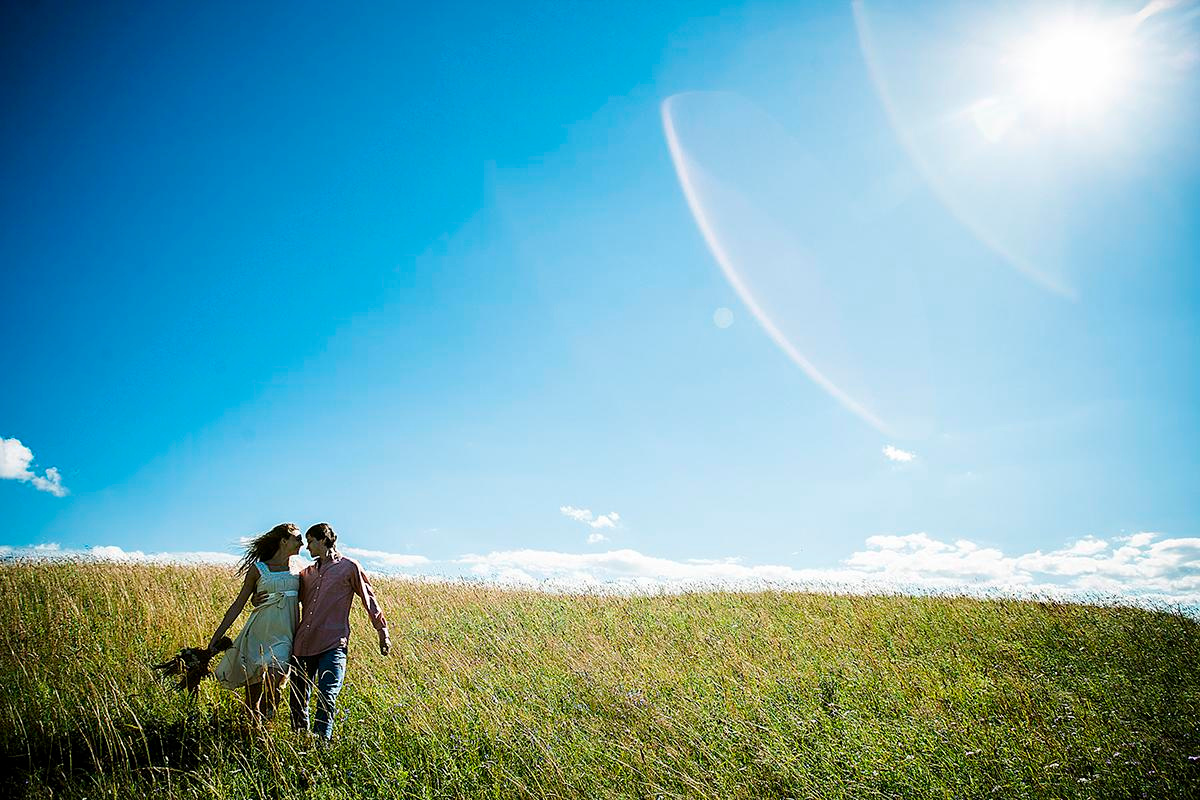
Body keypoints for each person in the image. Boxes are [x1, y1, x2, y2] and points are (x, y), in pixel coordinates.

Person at [286, 522, 390, 741]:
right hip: (303, 644)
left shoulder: (349, 567)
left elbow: (368, 598)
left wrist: (382, 631)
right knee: (297, 699)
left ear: (324, 539)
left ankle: (321, 744)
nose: (307, 548)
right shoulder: (307, 573)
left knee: (327, 696)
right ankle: (299, 742)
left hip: (333, 644)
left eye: (311, 542)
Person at [208, 523, 303, 720]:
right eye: (297, 538)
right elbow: (238, 604)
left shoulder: (300, 569)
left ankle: (268, 730)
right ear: (283, 541)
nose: (302, 543)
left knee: (273, 686)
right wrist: (216, 637)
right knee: (252, 701)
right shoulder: (259, 569)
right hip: (258, 636)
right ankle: (252, 734)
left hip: (284, 637)